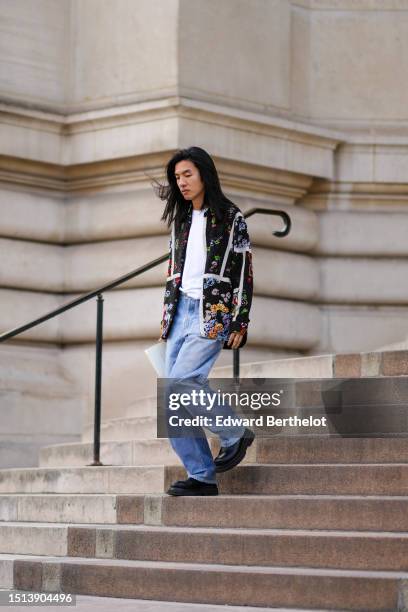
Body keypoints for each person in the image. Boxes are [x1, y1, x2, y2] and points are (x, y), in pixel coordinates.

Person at [154, 146, 254, 496]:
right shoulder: (181, 220)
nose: (181, 182)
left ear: (204, 175)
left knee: (182, 383)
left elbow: (243, 273)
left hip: (212, 311)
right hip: (179, 310)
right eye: (177, 177)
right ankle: (201, 476)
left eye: (187, 175)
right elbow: (174, 270)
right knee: (171, 398)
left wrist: (240, 321)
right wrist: (168, 314)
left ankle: (234, 433)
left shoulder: (231, 217)